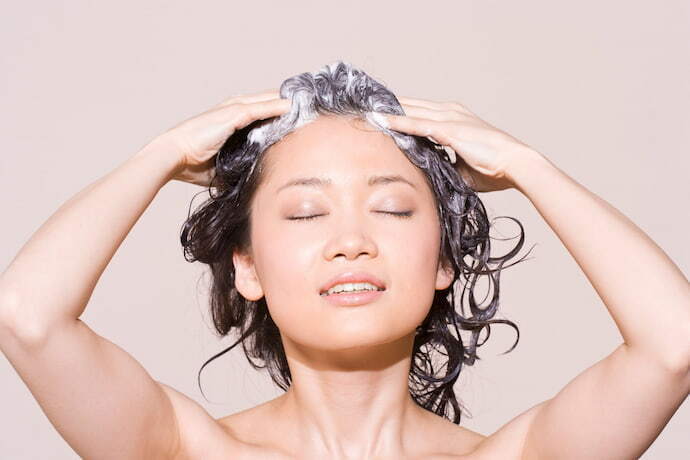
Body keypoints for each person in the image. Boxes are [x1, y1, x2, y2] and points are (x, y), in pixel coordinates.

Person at [0, 61, 687, 459]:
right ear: (248, 266)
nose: (350, 240)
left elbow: (674, 344)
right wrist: (167, 152)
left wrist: (524, 165)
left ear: (445, 260)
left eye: (391, 208)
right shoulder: (188, 451)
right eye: (304, 213)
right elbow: (27, 316)